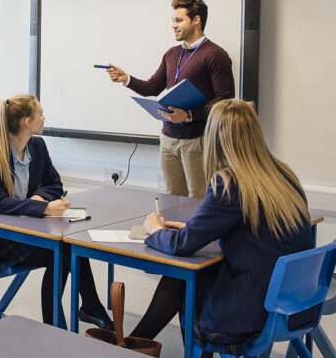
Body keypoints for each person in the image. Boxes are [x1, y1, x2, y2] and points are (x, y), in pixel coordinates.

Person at [127, 99, 314, 354]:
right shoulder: (282, 175)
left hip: (254, 308)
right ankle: (131, 345)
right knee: (182, 278)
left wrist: (155, 229)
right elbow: (252, 231)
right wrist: (197, 228)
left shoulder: (230, 183)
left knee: (183, 278)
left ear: (214, 138)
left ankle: (129, 346)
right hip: (295, 301)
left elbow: (182, 245)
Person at [0, 93, 111, 328]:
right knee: (64, 253)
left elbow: (54, 184)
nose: (44, 118)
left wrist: (39, 198)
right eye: (40, 114)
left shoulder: (37, 146)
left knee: (70, 248)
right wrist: (42, 207)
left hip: (26, 229)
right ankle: (72, 316)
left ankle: (71, 316)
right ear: (27, 121)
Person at [107, 0, 235, 198]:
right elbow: (153, 87)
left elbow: (225, 100)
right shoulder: (171, 53)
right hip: (168, 138)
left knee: (198, 198)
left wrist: (189, 116)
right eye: (173, 20)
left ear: (196, 20)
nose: (173, 25)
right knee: (172, 197)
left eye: (179, 20)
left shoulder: (215, 55)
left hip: (198, 140)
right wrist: (127, 79)